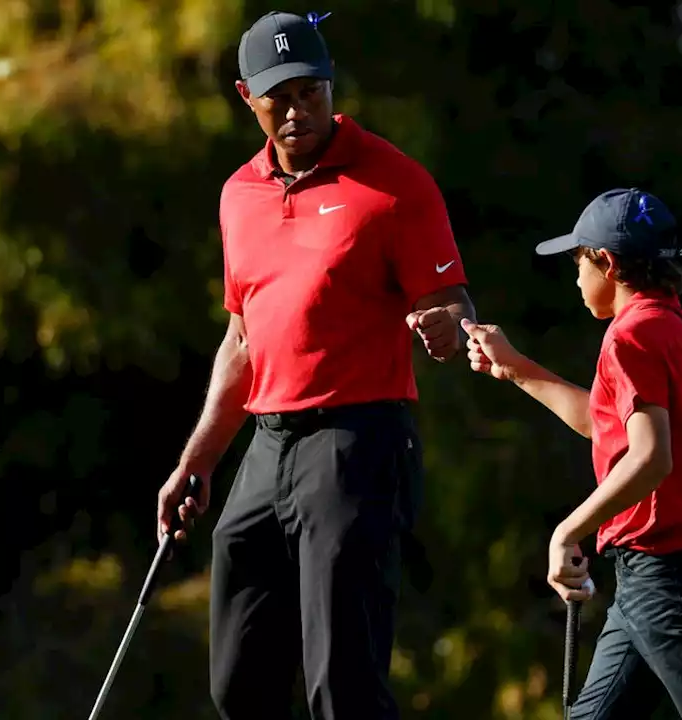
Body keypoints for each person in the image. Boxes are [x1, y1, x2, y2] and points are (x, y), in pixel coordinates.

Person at [154, 9, 476, 720]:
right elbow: (242, 340)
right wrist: (199, 460)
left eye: (312, 92)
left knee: (344, 687)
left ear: (331, 86)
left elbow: (455, 304)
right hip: (267, 449)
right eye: (280, 97)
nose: (298, 110)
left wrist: (448, 329)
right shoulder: (239, 195)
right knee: (238, 682)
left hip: (356, 444)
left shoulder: (394, 184)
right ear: (247, 97)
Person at [463, 188, 682, 719]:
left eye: (579, 262)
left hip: (668, 574)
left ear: (606, 262)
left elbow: (650, 458)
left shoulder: (631, 337)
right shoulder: (674, 324)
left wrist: (567, 531)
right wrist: (514, 367)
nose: (576, 277)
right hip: (664, 572)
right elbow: (603, 426)